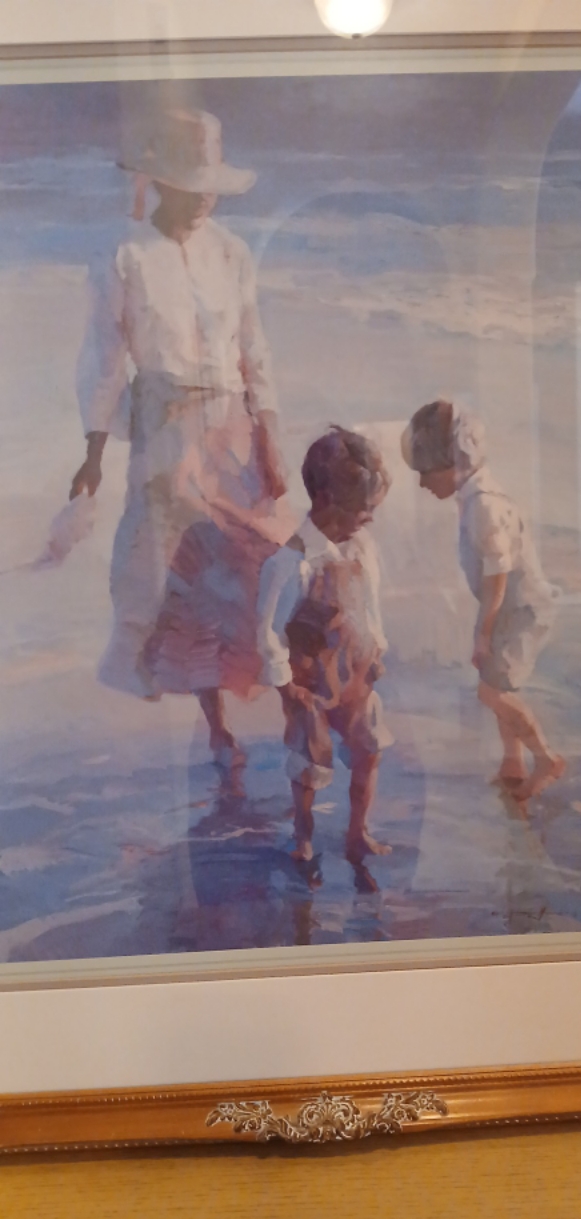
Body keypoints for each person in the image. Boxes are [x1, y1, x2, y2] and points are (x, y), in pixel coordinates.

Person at [70, 108, 289, 765]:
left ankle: (274, 709)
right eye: (191, 185)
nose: (203, 198)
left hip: (230, 426)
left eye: (210, 186)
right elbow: (104, 358)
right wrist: (93, 449)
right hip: (164, 432)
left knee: (244, 565)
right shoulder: (125, 255)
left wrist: (270, 435)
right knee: (178, 573)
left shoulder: (233, 252)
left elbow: (255, 349)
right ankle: (215, 726)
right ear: (161, 182)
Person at [402, 399, 565, 802]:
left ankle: (546, 759)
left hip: (522, 610)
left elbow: (498, 575)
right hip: (511, 607)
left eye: (426, 473)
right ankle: (513, 764)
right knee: (496, 682)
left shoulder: (483, 506)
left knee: (493, 693)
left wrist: (483, 632)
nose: (423, 484)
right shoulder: (476, 496)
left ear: (451, 465)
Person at [257, 426, 393, 865]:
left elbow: (369, 605)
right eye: (364, 508)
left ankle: (358, 832)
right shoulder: (290, 562)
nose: (369, 517)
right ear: (328, 500)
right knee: (309, 760)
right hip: (310, 681)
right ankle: (304, 836)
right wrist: (286, 687)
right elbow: (269, 633)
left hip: (357, 673)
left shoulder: (362, 548)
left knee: (368, 749)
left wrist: (378, 648)